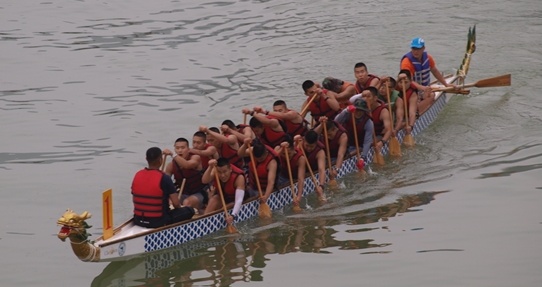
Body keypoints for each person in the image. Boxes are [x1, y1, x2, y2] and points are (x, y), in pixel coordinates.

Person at [131, 147, 195, 228]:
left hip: (138, 220)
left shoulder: (137, 175)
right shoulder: (164, 178)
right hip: (158, 221)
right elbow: (176, 204)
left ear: (146, 159)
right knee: (189, 211)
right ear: (160, 160)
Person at [163, 138, 207, 209]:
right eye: (177, 148)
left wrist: (172, 154)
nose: (180, 150)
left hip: (199, 192)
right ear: (175, 149)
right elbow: (165, 182)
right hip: (182, 193)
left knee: (187, 202)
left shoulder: (195, 158)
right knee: (169, 201)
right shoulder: (171, 165)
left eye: (183, 148)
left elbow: (187, 165)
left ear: (188, 149)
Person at [202, 158, 246, 223]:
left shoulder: (239, 178)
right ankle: (204, 221)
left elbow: (239, 200)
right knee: (213, 200)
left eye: (225, 172)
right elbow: (204, 181)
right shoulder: (215, 170)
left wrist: (232, 215)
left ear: (230, 169)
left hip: (235, 200)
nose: (222, 175)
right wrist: (210, 167)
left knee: (226, 206)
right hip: (224, 198)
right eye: (219, 172)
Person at [238, 138, 280, 205]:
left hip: (264, 190)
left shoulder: (272, 163)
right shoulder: (252, 150)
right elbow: (240, 154)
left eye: (261, 159)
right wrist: (245, 144)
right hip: (252, 187)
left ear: (266, 153)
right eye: (257, 159)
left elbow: (271, 182)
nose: (259, 160)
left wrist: (266, 197)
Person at [274, 136, 306, 207]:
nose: (286, 157)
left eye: (289, 154)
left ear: (293, 149)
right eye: (284, 154)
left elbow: (301, 178)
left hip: (293, 178)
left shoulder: (301, 159)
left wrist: (299, 197)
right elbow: (272, 158)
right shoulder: (277, 149)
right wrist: (282, 149)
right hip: (280, 177)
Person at [359, 87, 393, 153]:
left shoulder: (383, 111)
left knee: (368, 143)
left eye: (368, 97)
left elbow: (389, 130)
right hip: (365, 135)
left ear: (375, 98)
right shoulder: (360, 108)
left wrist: (382, 142)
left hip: (378, 136)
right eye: (363, 97)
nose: (365, 99)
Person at [295, 132, 326, 201]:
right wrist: (296, 144)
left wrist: (321, 185)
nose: (308, 148)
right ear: (303, 140)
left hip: (311, 170)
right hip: (298, 171)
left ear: (316, 143)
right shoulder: (299, 144)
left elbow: (321, 170)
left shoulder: (320, 152)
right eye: (307, 145)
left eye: (311, 146)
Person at [393, 70, 419, 137]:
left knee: (402, 123)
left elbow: (412, 113)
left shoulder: (412, 94)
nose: (402, 85)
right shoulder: (394, 88)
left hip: (406, 117)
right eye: (400, 82)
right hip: (395, 116)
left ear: (410, 82)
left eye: (406, 82)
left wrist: (410, 126)